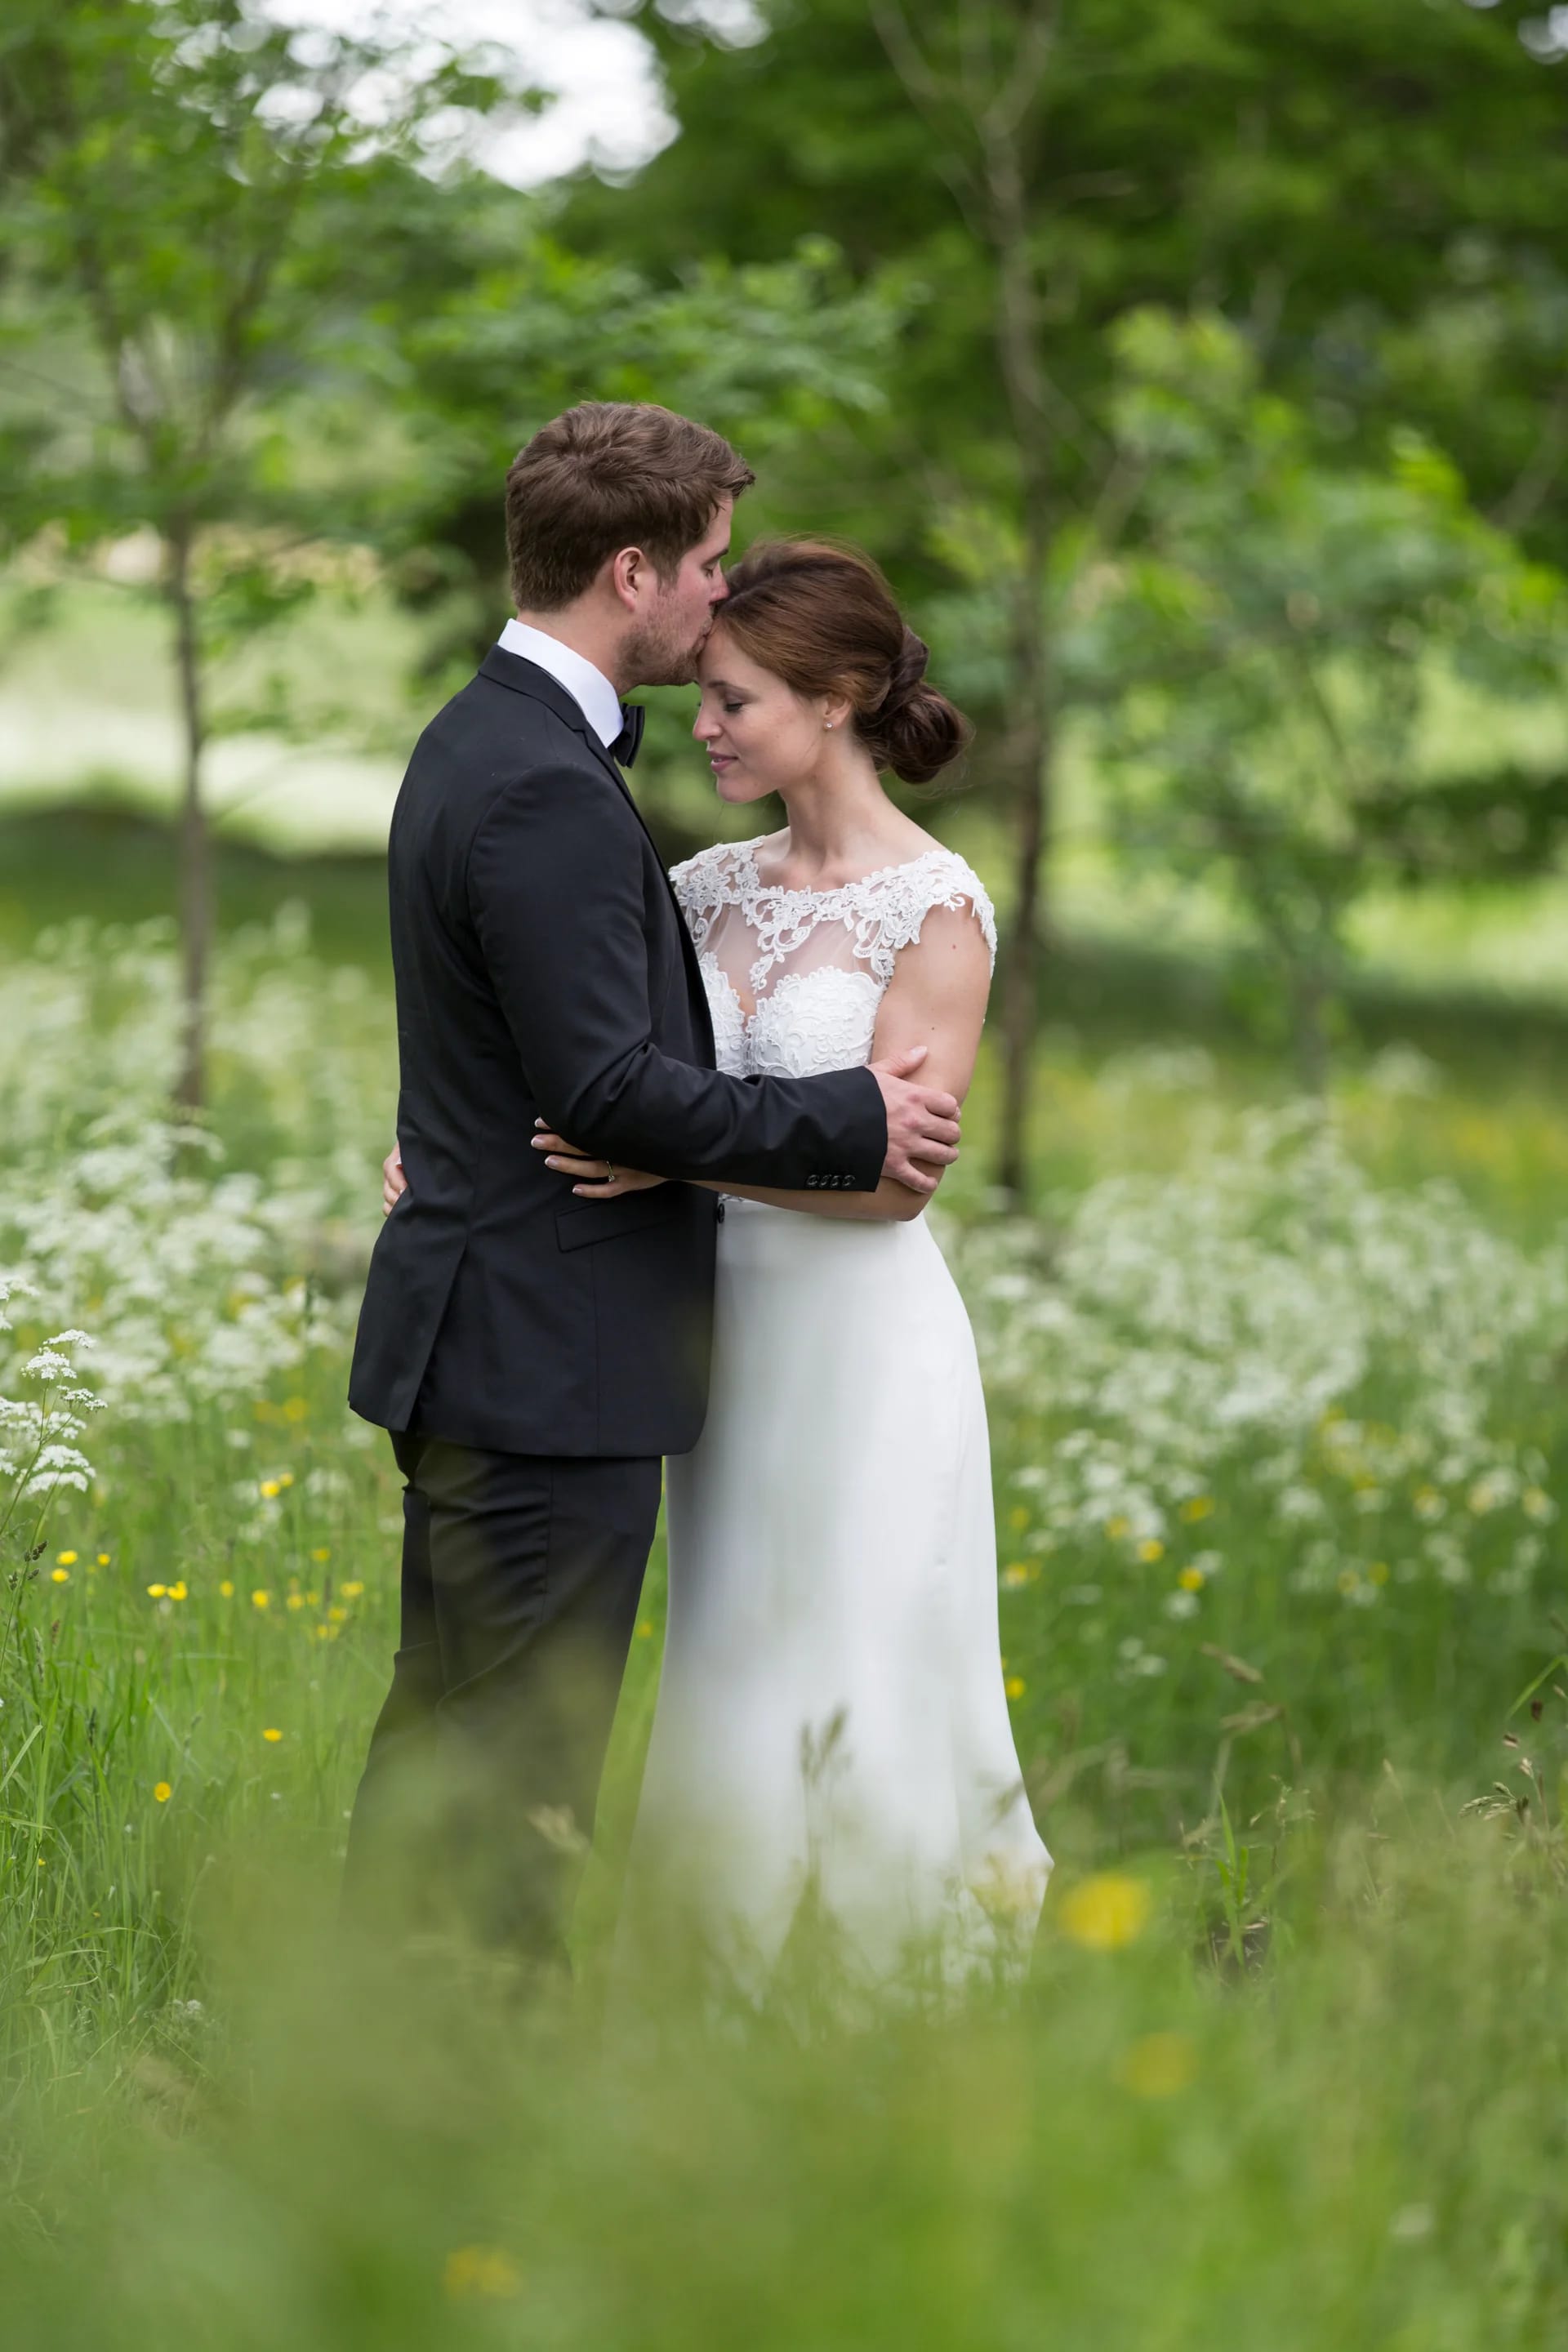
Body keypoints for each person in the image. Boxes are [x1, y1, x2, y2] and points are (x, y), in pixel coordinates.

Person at [343, 405, 964, 1971]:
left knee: (449, 1742)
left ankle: (368, 2050)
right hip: (549, 1356)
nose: (717, 593)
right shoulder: (547, 783)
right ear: (632, 572)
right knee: (512, 1782)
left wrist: (458, 1143)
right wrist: (853, 1116)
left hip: (513, 1333)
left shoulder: (473, 735)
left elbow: (513, 1037)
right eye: (704, 565)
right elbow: (601, 1086)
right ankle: (464, 2079)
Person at [527, 540, 1053, 1998]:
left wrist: (678, 1164)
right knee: (735, 1655)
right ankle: (712, 1998)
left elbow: (892, 1181)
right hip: (720, 1342)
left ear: (835, 699)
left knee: (863, 1660)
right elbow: (602, 1079)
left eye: (734, 700)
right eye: (702, 694)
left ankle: (888, 2007)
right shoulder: (699, 888)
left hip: (863, 1344)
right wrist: (443, 1156)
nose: (701, 725)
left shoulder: (935, 905)